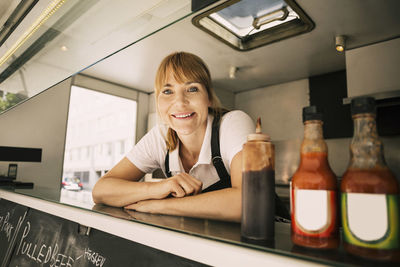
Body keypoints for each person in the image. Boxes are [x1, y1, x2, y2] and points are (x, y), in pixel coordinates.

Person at [92, 52, 255, 222]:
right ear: (158, 101)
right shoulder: (160, 136)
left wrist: (160, 206)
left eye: (192, 89)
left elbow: (249, 202)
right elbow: (101, 191)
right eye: (168, 91)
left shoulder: (232, 123)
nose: (180, 102)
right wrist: (158, 188)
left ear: (208, 98)